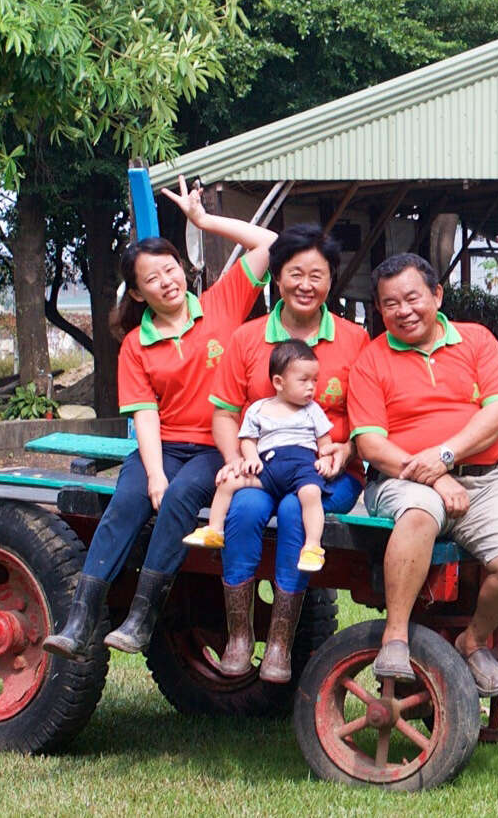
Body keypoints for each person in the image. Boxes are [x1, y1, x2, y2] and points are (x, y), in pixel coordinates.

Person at [43, 177, 277, 660]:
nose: (167, 281)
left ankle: (141, 619)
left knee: (179, 497)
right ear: (137, 292)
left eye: (171, 269)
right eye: (153, 278)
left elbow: (268, 243)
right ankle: (80, 622)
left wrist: (203, 220)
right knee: (126, 502)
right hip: (164, 445)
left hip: (218, 445)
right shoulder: (135, 345)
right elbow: (146, 417)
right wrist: (152, 473)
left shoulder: (220, 304)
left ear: (183, 269)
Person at [350, 253, 498, 695]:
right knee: (419, 512)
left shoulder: (476, 341)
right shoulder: (371, 360)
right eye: (390, 303)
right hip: (400, 481)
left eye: (412, 298)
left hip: (485, 480)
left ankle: (473, 641)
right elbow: (371, 445)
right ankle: (395, 638)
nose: (403, 311)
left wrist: (445, 456)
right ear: (379, 309)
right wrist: (434, 475)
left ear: (436, 295)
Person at [211, 224, 371, 683]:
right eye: (295, 273)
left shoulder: (354, 340)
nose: (305, 285)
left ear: (331, 280)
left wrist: (347, 448)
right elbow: (224, 413)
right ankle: (239, 636)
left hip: (329, 474)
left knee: (294, 512)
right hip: (263, 469)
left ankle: (280, 643)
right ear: (276, 276)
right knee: (244, 508)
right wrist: (236, 459)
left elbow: (369, 419)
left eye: (317, 275)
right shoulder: (247, 338)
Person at [188, 340, 336, 578]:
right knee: (228, 482)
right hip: (269, 468)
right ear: (278, 382)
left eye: (315, 380)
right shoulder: (258, 409)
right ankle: (214, 529)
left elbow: (324, 440)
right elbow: (248, 439)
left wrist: (325, 460)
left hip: (302, 468)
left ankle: (312, 547)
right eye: (304, 380)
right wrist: (251, 458)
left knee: (311, 494)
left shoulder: (312, 410)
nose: (311, 387)